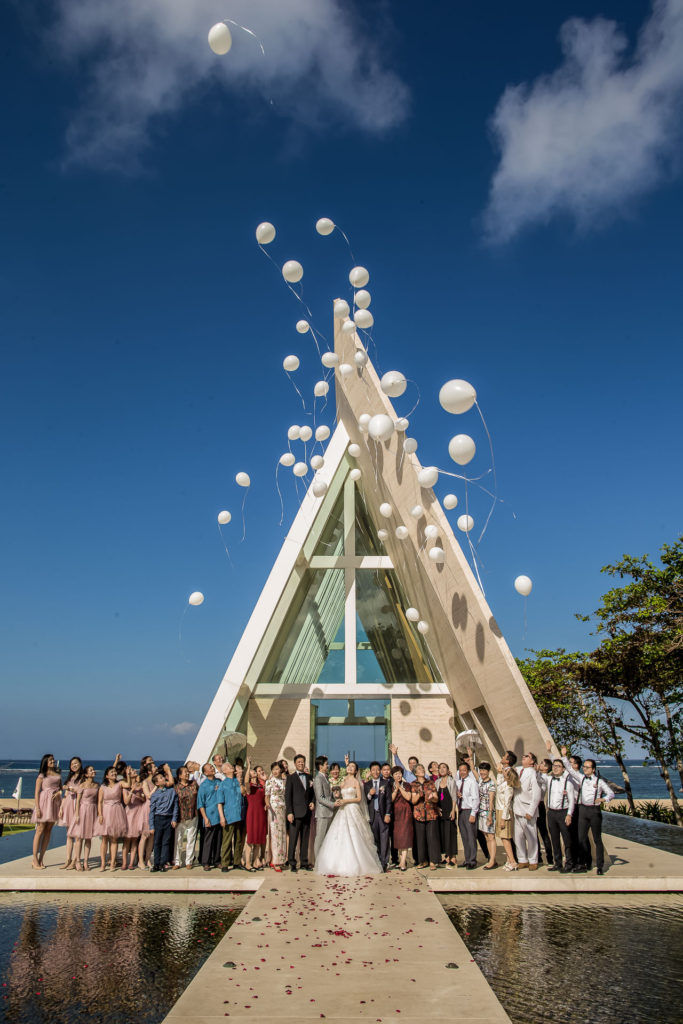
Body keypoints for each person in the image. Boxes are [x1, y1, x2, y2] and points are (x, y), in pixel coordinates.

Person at [314, 760, 382, 876]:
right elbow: (338, 794)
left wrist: (345, 800)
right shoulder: (343, 781)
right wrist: (337, 796)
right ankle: (334, 863)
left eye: (353, 767)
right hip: (342, 810)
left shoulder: (356, 781)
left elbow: (359, 799)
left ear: (356, 770)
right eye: (349, 766)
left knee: (355, 835)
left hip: (352, 809)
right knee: (339, 836)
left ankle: (358, 863)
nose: (350, 768)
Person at [574, 759, 614, 875]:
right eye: (584, 767)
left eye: (587, 767)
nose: (584, 768)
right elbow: (571, 770)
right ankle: (583, 863)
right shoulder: (581, 778)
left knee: (597, 839)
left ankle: (600, 866)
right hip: (583, 810)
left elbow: (611, 793)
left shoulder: (599, 782)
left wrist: (603, 799)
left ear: (593, 769)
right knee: (581, 839)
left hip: (594, 811)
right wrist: (564, 756)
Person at [31, 754, 62, 870]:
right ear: (45, 762)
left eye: (53, 759)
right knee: (40, 829)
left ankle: (41, 858)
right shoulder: (41, 775)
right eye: (50, 760)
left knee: (48, 830)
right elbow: (36, 793)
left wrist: (59, 793)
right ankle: (34, 859)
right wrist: (37, 808)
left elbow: (61, 788)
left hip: (54, 803)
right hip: (44, 803)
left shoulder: (57, 774)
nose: (53, 761)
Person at [96, 765, 130, 871]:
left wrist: (128, 775)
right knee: (104, 839)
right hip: (106, 811)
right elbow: (100, 802)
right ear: (107, 776)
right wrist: (100, 815)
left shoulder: (119, 784)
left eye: (115, 772)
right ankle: (103, 863)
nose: (114, 774)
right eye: (112, 772)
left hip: (117, 811)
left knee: (114, 839)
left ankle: (112, 863)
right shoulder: (102, 787)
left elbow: (128, 784)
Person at [285, 754, 315, 872]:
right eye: (299, 762)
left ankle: (304, 862)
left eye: (303, 762)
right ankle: (292, 862)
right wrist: (289, 812)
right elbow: (288, 796)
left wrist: (312, 802)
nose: (301, 764)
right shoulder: (291, 778)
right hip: (295, 813)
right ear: (295, 764)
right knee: (293, 839)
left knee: (305, 839)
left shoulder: (309, 777)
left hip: (307, 812)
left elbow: (312, 794)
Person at [513, 752, 543, 870]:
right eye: (523, 756)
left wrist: (531, 811)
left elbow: (537, 794)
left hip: (527, 809)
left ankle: (533, 860)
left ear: (532, 761)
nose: (523, 757)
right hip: (517, 807)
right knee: (518, 836)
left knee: (531, 836)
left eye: (527, 756)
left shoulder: (533, 774)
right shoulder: (519, 770)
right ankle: (522, 859)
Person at [545, 758, 576, 872]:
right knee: (554, 839)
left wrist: (569, 815)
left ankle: (569, 863)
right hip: (551, 813)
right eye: (554, 765)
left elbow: (571, 801)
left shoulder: (568, 783)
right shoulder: (549, 780)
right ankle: (557, 863)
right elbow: (538, 778)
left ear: (563, 769)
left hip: (563, 812)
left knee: (567, 839)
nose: (555, 768)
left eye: (558, 766)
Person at [410, 764, 441, 870]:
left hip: (431, 813)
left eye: (423, 768)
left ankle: (433, 861)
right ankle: (422, 861)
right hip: (419, 815)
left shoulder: (430, 783)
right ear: (415, 773)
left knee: (432, 838)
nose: (422, 770)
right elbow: (413, 801)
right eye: (419, 769)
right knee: (421, 839)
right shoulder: (413, 784)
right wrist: (420, 794)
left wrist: (432, 798)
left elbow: (437, 798)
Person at [363, 761, 392, 871]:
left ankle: (384, 863)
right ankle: (376, 861)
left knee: (384, 839)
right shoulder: (367, 784)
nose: (375, 772)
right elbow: (365, 801)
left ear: (380, 771)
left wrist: (388, 814)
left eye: (377, 769)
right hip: (372, 815)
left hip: (383, 814)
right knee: (374, 840)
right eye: (373, 770)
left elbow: (389, 800)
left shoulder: (385, 783)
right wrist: (370, 794)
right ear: (370, 772)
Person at [148, 769, 179, 872]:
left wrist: (174, 819)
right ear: (157, 783)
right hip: (158, 818)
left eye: (163, 777)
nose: (164, 779)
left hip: (168, 818)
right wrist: (151, 826)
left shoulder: (172, 791)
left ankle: (163, 863)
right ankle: (156, 863)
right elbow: (151, 811)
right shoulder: (155, 795)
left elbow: (175, 806)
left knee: (166, 841)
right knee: (157, 842)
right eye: (161, 778)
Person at [69, 764, 99, 870]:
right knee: (79, 838)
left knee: (88, 838)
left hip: (92, 810)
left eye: (93, 769)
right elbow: (77, 801)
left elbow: (98, 801)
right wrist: (76, 814)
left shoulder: (97, 785)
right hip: (82, 810)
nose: (93, 771)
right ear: (86, 774)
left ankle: (86, 861)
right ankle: (77, 861)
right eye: (91, 770)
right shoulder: (82, 786)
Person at [560, 745, 585, 867]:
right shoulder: (568, 775)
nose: (568, 765)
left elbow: (568, 769)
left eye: (571, 763)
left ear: (576, 765)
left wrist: (564, 756)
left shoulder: (579, 776)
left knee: (577, 836)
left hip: (577, 808)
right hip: (569, 807)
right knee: (570, 836)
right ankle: (573, 860)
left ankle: (581, 862)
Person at [218, 762, 246, 872]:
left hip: (239, 814)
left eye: (231, 766)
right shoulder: (223, 784)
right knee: (227, 841)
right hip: (228, 815)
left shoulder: (236, 781)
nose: (232, 767)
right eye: (229, 767)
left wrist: (240, 779)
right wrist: (222, 817)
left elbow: (243, 792)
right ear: (224, 771)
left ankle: (237, 862)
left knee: (239, 840)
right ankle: (225, 863)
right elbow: (220, 803)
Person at [58, 756, 84, 870]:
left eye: (76, 763)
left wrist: (70, 789)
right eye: (72, 764)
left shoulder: (83, 777)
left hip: (78, 806)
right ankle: (68, 859)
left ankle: (75, 859)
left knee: (78, 835)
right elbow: (65, 795)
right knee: (69, 835)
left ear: (80, 764)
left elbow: (82, 792)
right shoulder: (69, 778)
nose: (74, 765)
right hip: (68, 805)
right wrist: (61, 808)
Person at [495, 760, 520, 871]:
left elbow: (507, 804)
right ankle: (508, 860)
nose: (503, 772)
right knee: (503, 837)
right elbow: (499, 782)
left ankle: (513, 861)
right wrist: (499, 772)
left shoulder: (509, 787)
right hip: (499, 810)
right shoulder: (503, 784)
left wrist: (503, 818)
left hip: (505, 813)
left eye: (505, 771)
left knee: (505, 838)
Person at [173, 765, 199, 870]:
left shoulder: (194, 784)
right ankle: (177, 861)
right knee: (178, 840)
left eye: (187, 772)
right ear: (179, 775)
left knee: (191, 839)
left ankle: (189, 861)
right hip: (180, 817)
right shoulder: (176, 787)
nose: (187, 773)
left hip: (193, 815)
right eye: (184, 772)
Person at [197, 763, 222, 870]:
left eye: (212, 767)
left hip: (219, 816)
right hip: (209, 816)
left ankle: (216, 860)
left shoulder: (219, 782)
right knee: (208, 840)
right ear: (206, 772)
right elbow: (201, 804)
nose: (212, 768)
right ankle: (205, 861)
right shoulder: (203, 786)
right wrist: (205, 818)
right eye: (210, 768)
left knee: (218, 839)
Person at [123, 767, 149, 870]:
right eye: (133, 771)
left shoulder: (141, 786)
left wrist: (140, 796)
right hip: (129, 812)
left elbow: (144, 799)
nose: (135, 771)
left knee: (135, 839)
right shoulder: (126, 787)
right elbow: (126, 801)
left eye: (134, 770)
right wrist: (132, 791)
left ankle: (132, 862)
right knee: (127, 839)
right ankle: (125, 862)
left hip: (139, 812)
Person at [455, 763, 480, 869]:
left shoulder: (472, 782)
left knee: (471, 837)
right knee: (464, 837)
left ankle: (472, 860)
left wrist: (473, 813)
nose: (462, 772)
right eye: (460, 770)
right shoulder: (458, 782)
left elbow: (476, 798)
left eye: (464, 770)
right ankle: (467, 858)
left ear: (468, 771)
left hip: (469, 811)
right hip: (461, 810)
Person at [390, 766, 414, 871]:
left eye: (399, 773)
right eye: (395, 774)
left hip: (405, 813)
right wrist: (395, 789)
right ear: (392, 776)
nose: (398, 775)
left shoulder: (407, 785)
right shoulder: (390, 786)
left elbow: (408, 797)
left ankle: (403, 862)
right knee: (398, 838)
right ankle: (401, 860)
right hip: (395, 813)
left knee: (405, 837)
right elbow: (391, 799)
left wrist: (400, 787)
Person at [313, 755, 337, 861]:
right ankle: (318, 861)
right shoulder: (318, 778)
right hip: (322, 813)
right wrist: (333, 804)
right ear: (320, 766)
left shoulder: (325, 777)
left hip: (329, 812)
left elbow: (327, 795)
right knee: (320, 838)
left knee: (326, 839)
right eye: (326, 764)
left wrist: (334, 797)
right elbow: (320, 798)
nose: (328, 766)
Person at [244, 764, 268, 871]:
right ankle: (247, 863)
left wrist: (265, 780)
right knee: (251, 840)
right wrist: (248, 767)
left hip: (261, 813)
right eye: (251, 773)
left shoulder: (260, 785)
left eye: (254, 772)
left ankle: (255, 862)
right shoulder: (249, 786)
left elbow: (266, 795)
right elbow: (245, 782)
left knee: (258, 840)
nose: (253, 773)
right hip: (252, 813)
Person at [265, 761, 287, 871]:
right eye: (273, 769)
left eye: (277, 769)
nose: (275, 771)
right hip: (273, 808)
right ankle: (275, 861)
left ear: (281, 770)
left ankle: (282, 859)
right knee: (275, 834)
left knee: (282, 834)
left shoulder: (284, 781)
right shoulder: (269, 782)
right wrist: (268, 804)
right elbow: (267, 796)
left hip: (283, 808)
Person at [475, 762, 497, 869]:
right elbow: (474, 772)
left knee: (491, 836)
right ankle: (492, 858)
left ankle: (492, 860)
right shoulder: (480, 781)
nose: (482, 772)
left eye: (484, 770)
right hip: (481, 813)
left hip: (488, 813)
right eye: (481, 770)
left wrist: (490, 815)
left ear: (488, 771)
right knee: (486, 837)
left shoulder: (491, 784)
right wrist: (470, 760)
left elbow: (491, 801)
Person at [536, 758, 554, 866]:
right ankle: (538, 857)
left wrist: (536, 771)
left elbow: (539, 780)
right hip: (534, 805)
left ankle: (549, 857)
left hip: (540, 804)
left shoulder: (546, 777)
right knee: (534, 833)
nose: (540, 764)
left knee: (543, 832)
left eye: (542, 763)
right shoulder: (538, 775)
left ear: (546, 768)